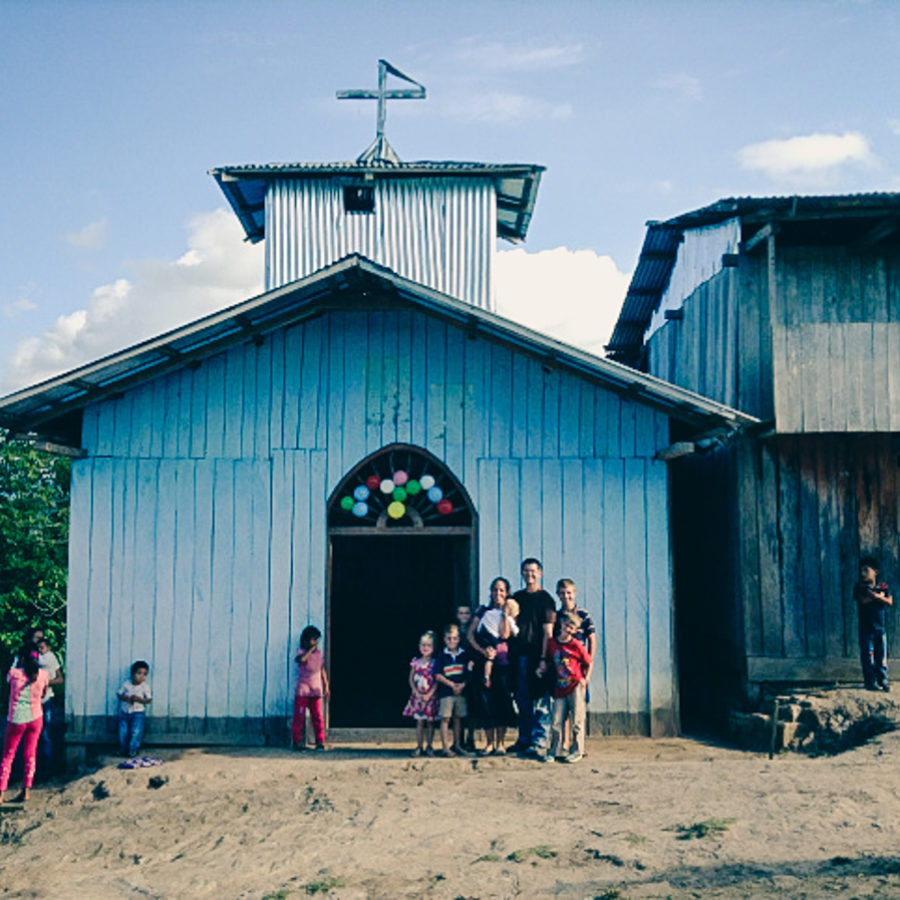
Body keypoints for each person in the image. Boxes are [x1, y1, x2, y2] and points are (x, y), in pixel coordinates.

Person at [510, 558, 557, 759]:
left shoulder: (546, 600)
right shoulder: (517, 598)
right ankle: (524, 739)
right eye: (526, 571)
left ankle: (539, 742)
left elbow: (548, 633)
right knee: (522, 700)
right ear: (521, 573)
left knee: (540, 701)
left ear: (540, 573)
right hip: (519, 655)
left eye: (533, 571)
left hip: (537, 656)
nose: (530, 575)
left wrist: (544, 658)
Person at [468, 578, 518, 755]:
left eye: (502, 590)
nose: (498, 594)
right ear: (490, 592)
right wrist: (482, 651)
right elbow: (470, 635)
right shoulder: (482, 611)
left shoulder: (511, 612)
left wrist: (505, 614)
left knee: (502, 702)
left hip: (503, 664)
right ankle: (489, 743)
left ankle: (500, 743)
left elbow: (505, 634)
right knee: (485, 702)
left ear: (507, 593)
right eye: (495, 590)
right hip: (484, 663)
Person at [1, 644, 50, 804]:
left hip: (16, 718)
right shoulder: (43, 674)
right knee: (30, 754)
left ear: (21, 658)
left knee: (8, 756)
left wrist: (16, 662)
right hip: (36, 717)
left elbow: (8, 690)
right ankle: (26, 790)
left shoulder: (14, 674)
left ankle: (1, 793)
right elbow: (43, 694)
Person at [541, 611, 592, 763]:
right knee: (556, 720)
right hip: (559, 686)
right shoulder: (553, 643)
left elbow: (588, 662)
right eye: (567, 625)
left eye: (572, 628)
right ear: (561, 624)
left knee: (577, 719)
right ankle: (554, 750)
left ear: (576, 631)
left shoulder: (576, 645)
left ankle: (577, 750)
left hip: (575, 684)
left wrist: (585, 679)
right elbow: (550, 660)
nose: (568, 629)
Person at [854, 557, 893, 691]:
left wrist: (876, 596)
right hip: (866, 628)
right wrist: (879, 597)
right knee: (868, 656)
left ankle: (883, 680)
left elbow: (890, 601)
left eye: (866, 570)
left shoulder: (883, 586)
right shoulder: (860, 587)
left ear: (875, 571)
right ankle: (870, 681)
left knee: (881, 656)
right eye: (861, 571)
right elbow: (863, 600)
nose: (863, 573)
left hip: (880, 627)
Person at [433, 624, 472, 757]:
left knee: (458, 718)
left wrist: (462, 685)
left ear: (458, 639)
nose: (451, 641)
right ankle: (445, 747)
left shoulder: (464, 655)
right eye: (449, 638)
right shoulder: (441, 656)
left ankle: (457, 745)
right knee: (445, 718)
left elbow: (468, 673)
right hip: (446, 692)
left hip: (461, 692)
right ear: (445, 639)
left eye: (454, 638)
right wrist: (451, 685)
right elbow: (437, 674)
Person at [292, 625, 329, 750]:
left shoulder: (319, 654)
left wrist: (326, 685)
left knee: (318, 717)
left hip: (316, 691)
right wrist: (309, 651)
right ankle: (297, 742)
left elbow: (321, 669)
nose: (316, 643)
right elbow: (301, 660)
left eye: (317, 641)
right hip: (303, 691)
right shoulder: (301, 653)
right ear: (306, 641)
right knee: (299, 717)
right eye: (313, 640)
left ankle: (320, 742)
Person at [403, 631, 437, 757]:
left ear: (433, 648)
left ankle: (430, 746)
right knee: (419, 722)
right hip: (418, 697)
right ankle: (419, 746)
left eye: (428, 645)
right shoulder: (415, 662)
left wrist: (430, 694)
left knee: (430, 722)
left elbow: (436, 681)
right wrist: (416, 692)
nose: (425, 648)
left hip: (430, 697)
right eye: (423, 645)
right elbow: (411, 679)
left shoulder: (435, 663)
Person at [35, 637, 64, 774]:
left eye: (42, 648)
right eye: (38, 648)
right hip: (39, 698)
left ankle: (48, 763)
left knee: (46, 730)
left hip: (46, 698)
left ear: (48, 648)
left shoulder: (48, 657)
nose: (40, 651)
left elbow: (59, 677)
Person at [117, 661, 152, 756]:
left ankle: (133, 749)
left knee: (136, 731)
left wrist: (140, 699)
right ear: (132, 674)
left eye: (145, 674)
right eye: (139, 673)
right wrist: (127, 698)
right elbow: (119, 694)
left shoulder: (145, 687)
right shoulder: (127, 684)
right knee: (123, 731)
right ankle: (123, 748)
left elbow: (148, 699)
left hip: (138, 713)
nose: (142, 676)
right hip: (125, 711)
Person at [454, 604, 477, 752]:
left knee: (471, 707)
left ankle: (471, 738)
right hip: (455, 672)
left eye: (467, 613)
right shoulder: (454, 633)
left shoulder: (473, 632)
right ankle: (458, 740)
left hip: (470, 673)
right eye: (461, 613)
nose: (464, 616)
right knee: (457, 708)